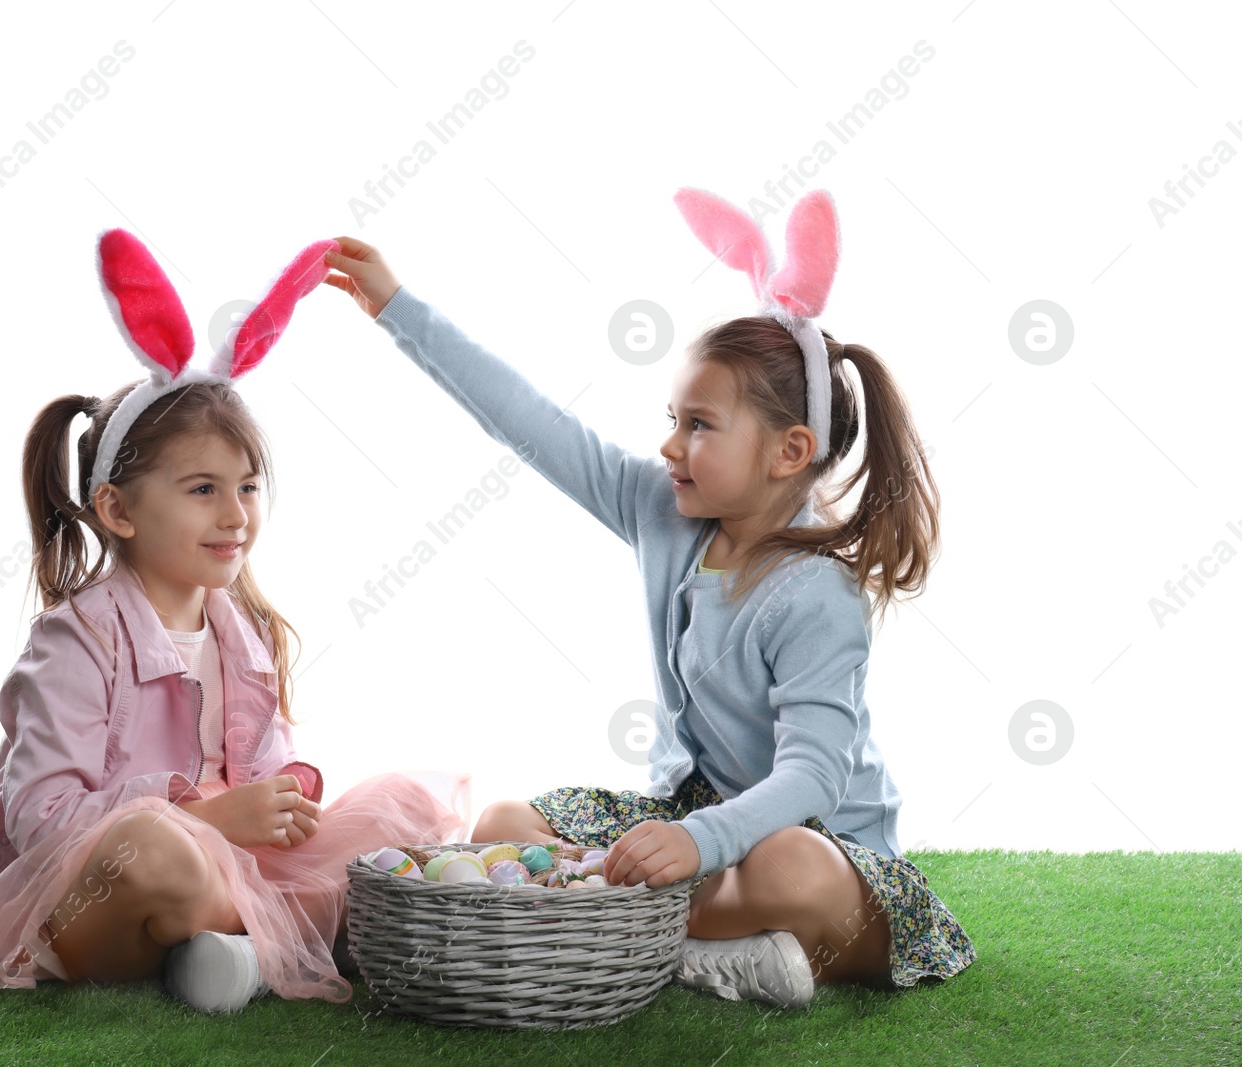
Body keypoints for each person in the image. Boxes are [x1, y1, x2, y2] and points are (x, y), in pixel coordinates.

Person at [319, 188, 976, 1010]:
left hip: (828, 851)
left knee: (786, 864)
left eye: (699, 424)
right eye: (673, 417)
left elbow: (814, 772)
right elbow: (531, 421)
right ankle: (701, 948)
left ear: (790, 451)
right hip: (693, 820)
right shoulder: (662, 512)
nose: (669, 444)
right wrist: (396, 307)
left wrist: (701, 841)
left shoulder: (817, 594)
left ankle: (653, 939)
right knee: (502, 825)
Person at [0, 229, 464, 1011]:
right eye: (202, 489)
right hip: (89, 904)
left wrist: (280, 801)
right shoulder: (76, 641)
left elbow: (263, 765)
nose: (236, 515)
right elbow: (42, 823)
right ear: (118, 508)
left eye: (248, 486)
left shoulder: (244, 629)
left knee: (409, 806)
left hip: (230, 869)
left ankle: (231, 950)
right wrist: (206, 814)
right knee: (155, 850)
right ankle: (288, 934)